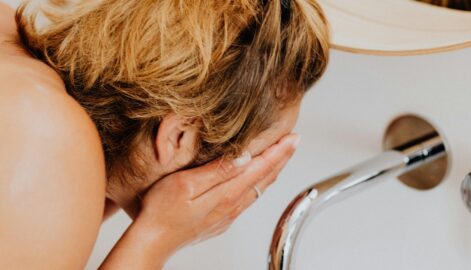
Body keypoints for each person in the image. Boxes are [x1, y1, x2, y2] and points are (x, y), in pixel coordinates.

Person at [0, 0, 329, 268]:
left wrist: (125, 182)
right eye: (256, 157)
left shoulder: (9, 31)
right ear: (179, 137)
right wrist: (156, 237)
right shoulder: (51, 147)